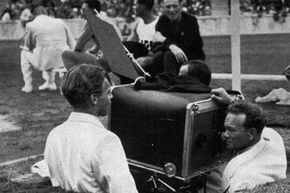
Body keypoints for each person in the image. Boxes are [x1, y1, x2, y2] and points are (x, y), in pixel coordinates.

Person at [44, 63, 138, 193]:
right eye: (108, 92)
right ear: (94, 98)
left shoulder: (54, 134)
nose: (111, 97)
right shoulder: (106, 140)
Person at [210, 98, 287, 193]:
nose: (225, 134)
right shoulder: (273, 137)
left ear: (251, 133)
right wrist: (232, 101)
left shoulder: (242, 178)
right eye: (225, 129)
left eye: (231, 130)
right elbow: (258, 120)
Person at [20, 6, 75, 93]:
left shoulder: (30, 25)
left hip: (45, 61)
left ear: (34, 15)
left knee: (24, 53)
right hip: (63, 59)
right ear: (46, 13)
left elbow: (28, 46)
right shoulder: (59, 21)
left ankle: (28, 86)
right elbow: (72, 42)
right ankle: (50, 82)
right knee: (49, 52)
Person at [61, 0, 121, 74]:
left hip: (107, 62)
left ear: (92, 11)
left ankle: (78, 80)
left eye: (84, 10)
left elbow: (78, 47)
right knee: (88, 55)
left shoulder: (92, 21)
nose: (81, 12)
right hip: (118, 60)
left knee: (66, 54)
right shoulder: (106, 19)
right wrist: (92, 51)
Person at [153, 0, 206, 75]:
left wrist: (166, 41)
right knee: (157, 56)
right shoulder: (162, 21)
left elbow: (187, 45)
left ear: (181, 6)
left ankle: (170, 83)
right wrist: (171, 46)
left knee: (169, 55)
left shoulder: (190, 20)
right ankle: (158, 82)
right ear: (163, 8)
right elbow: (156, 45)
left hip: (193, 57)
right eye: (168, 7)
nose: (171, 10)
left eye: (175, 6)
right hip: (172, 55)